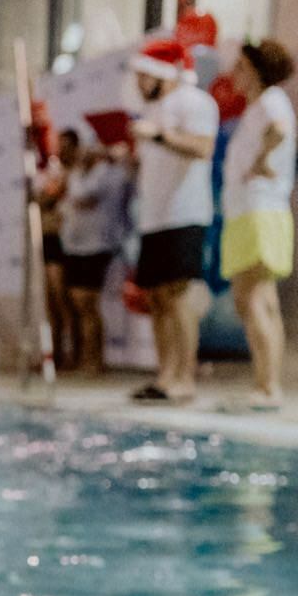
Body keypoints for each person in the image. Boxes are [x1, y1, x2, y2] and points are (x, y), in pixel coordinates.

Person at [128, 39, 220, 404]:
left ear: (159, 74)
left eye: (141, 76)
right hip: (154, 217)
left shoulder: (195, 101)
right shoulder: (155, 110)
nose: (137, 84)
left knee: (180, 296)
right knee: (158, 298)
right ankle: (165, 376)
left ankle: (185, 377)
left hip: (185, 213)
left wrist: (160, 135)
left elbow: (203, 148)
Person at [220, 39, 296, 411]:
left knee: (251, 299)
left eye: (239, 67)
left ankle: (268, 387)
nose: (233, 74)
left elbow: (279, 130)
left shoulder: (269, 101)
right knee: (260, 299)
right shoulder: (261, 104)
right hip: (256, 211)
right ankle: (268, 385)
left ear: (255, 70)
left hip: (258, 211)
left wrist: (263, 159)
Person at [60, 134, 132, 377]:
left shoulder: (106, 174)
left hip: (97, 246)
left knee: (87, 303)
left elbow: (82, 198)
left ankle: (95, 360)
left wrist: (81, 168)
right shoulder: (79, 174)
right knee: (78, 305)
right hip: (75, 246)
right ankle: (84, 357)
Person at [36, 131, 76, 369]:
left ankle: (72, 352)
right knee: (50, 300)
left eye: (65, 145)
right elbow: (40, 199)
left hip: (63, 239)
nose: (60, 150)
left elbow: (49, 198)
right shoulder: (52, 172)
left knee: (63, 299)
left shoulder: (71, 174)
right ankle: (55, 354)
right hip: (47, 237)